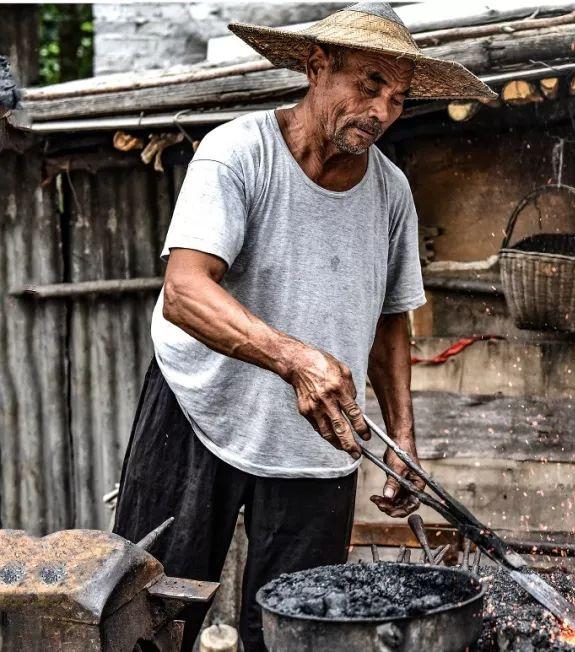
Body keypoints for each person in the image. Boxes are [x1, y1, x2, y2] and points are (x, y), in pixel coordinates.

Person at [111, 4, 494, 650]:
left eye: (397, 99)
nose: (381, 111)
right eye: (368, 85)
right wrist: (296, 360)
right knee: (149, 620)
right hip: (199, 413)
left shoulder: (391, 194)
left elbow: (390, 320)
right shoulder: (239, 154)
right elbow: (183, 292)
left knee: (300, 632)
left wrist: (402, 437)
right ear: (317, 67)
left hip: (318, 445)